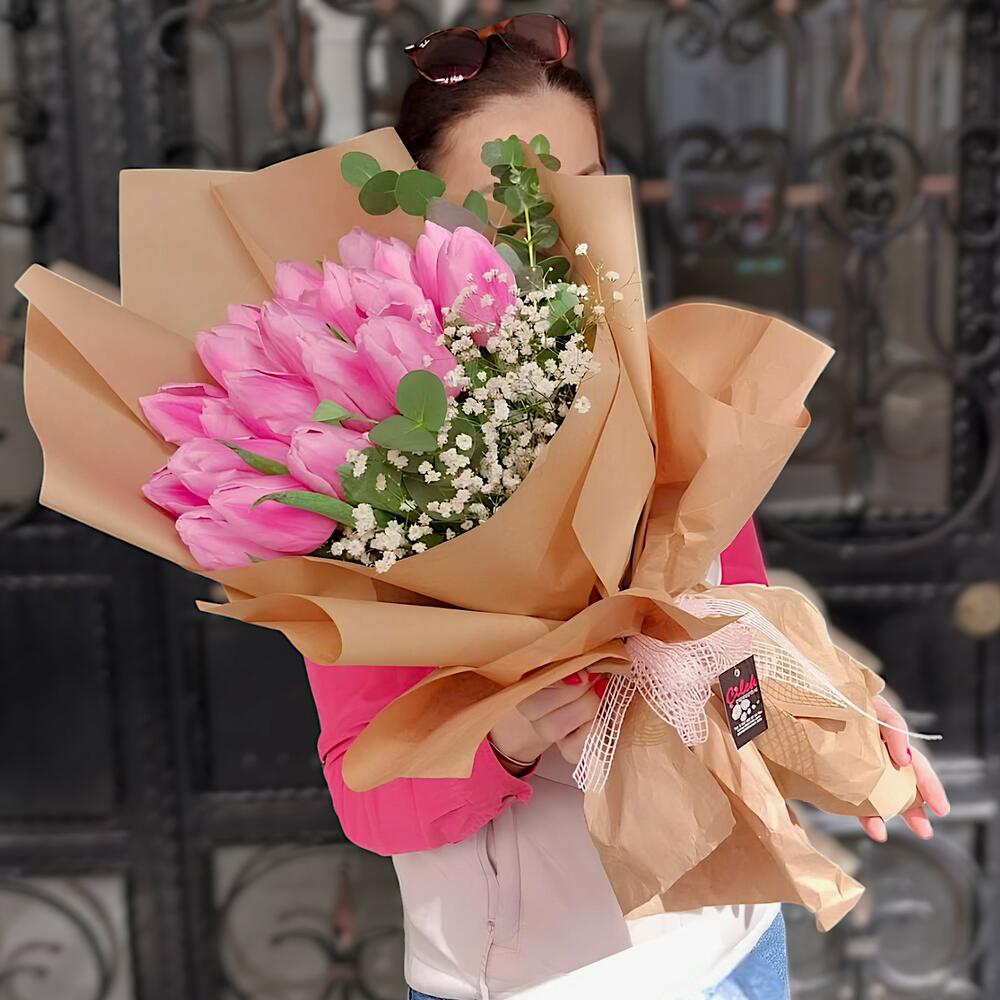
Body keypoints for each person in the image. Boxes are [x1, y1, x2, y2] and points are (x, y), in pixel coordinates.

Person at [305, 16, 950, 1000]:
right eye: (502, 199)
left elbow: (732, 624)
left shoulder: (663, 397)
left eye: (580, 183)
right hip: (536, 979)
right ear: (418, 216)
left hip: (737, 940)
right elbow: (366, 794)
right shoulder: (366, 463)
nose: (546, 227)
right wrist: (505, 742)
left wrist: (836, 706)